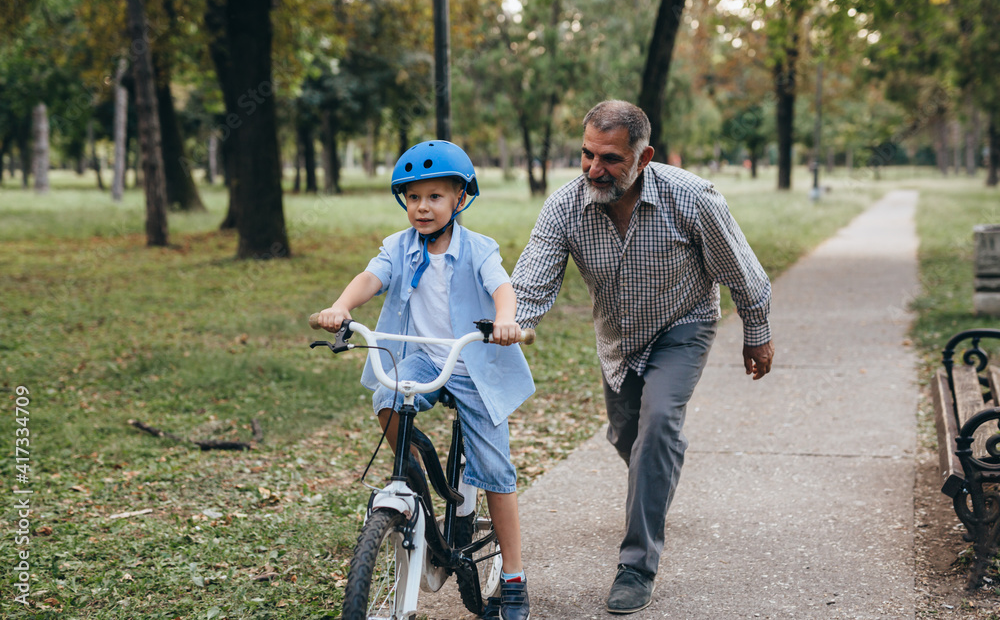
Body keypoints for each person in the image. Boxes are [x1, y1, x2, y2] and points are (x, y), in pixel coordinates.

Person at [511, 100, 774, 615]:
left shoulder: (692, 198)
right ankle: (657, 469)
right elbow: (532, 281)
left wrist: (756, 334)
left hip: (684, 323)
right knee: (628, 437)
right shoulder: (566, 205)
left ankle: (637, 566)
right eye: (586, 154)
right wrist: (515, 325)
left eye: (609, 158)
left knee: (657, 427)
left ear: (644, 156)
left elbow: (743, 271)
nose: (593, 169)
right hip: (618, 338)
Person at [316, 140, 534, 620]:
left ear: (460, 198)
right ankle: (413, 473)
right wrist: (342, 307)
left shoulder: (479, 248)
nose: (422, 207)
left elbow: (502, 286)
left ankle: (514, 576)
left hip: (471, 363)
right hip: (419, 357)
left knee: (496, 473)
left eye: (435, 197)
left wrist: (505, 320)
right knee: (386, 398)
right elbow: (371, 276)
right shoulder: (398, 246)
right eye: (413, 197)